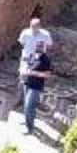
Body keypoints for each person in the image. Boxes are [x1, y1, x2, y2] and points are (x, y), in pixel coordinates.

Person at [17, 10, 56, 138]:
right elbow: (22, 44)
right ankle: (27, 121)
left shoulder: (45, 60)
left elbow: (47, 74)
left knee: (30, 105)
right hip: (28, 80)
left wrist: (33, 72)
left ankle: (30, 128)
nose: (37, 46)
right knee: (26, 102)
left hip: (36, 85)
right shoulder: (32, 56)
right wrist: (26, 70)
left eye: (40, 45)